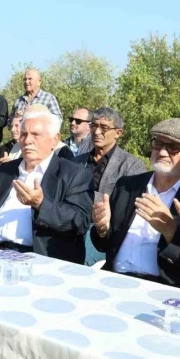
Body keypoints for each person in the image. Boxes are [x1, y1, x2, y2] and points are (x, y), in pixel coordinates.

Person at [90, 118, 180, 293]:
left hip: (165, 290)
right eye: (158, 143)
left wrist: (170, 232)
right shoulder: (127, 186)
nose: (163, 152)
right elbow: (104, 245)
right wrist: (102, 229)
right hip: (114, 281)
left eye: (174, 147)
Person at [0, 111, 93, 262]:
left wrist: (41, 204)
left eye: (36, 134)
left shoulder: (74, 174)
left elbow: (80, 222)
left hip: (38, 260)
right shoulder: (7, 169)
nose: (27, 140)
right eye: (23, 134)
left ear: (54, 140)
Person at [72, 107, 147, 265]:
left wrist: (81, 195)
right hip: (71, 225)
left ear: (118, 133)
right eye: (94, 126)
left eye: (104, 127)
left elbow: (124, 206)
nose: (97, 132)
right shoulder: (77, 161)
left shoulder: (132, 166)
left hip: (105, 233)